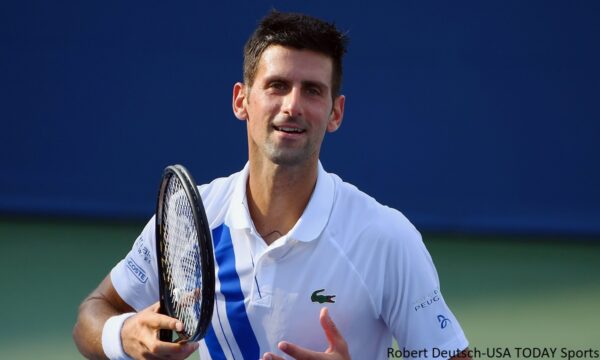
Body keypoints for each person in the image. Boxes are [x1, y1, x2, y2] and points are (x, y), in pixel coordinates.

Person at [73, 10, 471, 360]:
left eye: (312, 90)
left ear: (336, 113)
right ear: (241, 100)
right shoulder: (193, 219)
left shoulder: (387, 239)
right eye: (277, 85)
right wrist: (123, 335)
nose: (292, 105)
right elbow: (95, 311)